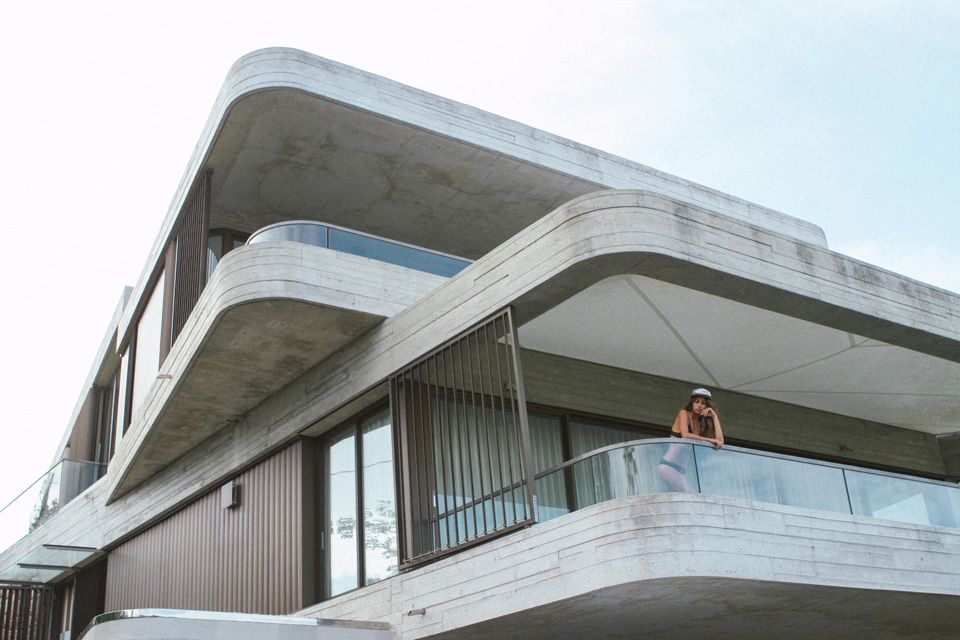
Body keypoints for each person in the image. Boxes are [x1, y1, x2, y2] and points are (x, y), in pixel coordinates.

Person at [657, 388, 725, 492]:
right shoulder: (684, 413)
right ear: (691, 402)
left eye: (703, 403)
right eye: (696, 401)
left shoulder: (701, 424)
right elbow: (685, 435)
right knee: (693, 496)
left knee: (691, 497)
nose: (699, 405)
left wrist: (714, 417)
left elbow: (720, 442)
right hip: (668, 466)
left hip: (681, 471)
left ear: (707, 406)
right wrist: (709, 440)